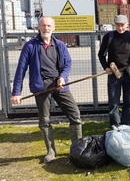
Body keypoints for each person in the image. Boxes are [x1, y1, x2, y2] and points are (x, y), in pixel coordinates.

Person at [10, 16, 82, 163]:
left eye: (49, 26)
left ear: (53, 28)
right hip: (41, 86)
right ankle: (50, 151)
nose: (46, 28)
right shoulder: (30, 46)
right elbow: (21, 70)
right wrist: (16, 93)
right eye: (43, 25)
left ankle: (77, 148)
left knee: (75, 114)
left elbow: (68, 64)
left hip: (59, 84)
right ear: (38, 28)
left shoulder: (60, 45)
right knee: (44, 120)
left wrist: (63, 77)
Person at [98, 15, 130, 126]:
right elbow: (101, 54)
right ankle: (115, 126)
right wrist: (106, 67)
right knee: (113, 103)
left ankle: (125, 125)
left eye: (122, 25)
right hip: (114, 74)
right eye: (118, 25)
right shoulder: (109, 37)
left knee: (128, 102)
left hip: (129, 75)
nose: (120, 28)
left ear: (127, 25)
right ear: (115, 25)